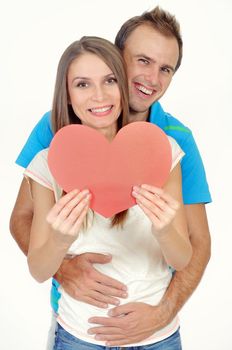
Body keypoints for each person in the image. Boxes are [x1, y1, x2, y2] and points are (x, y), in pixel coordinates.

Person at [10, 6, 211, 348]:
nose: (151, 78)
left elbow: (196, 245)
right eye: (143, 61)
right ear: (118, 57)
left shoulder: (172, 143)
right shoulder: (53, 137)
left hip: (156, 334)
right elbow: (23, 222)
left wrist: (162, 314)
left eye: (165, 68)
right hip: (78, 330)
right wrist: (63, 264)